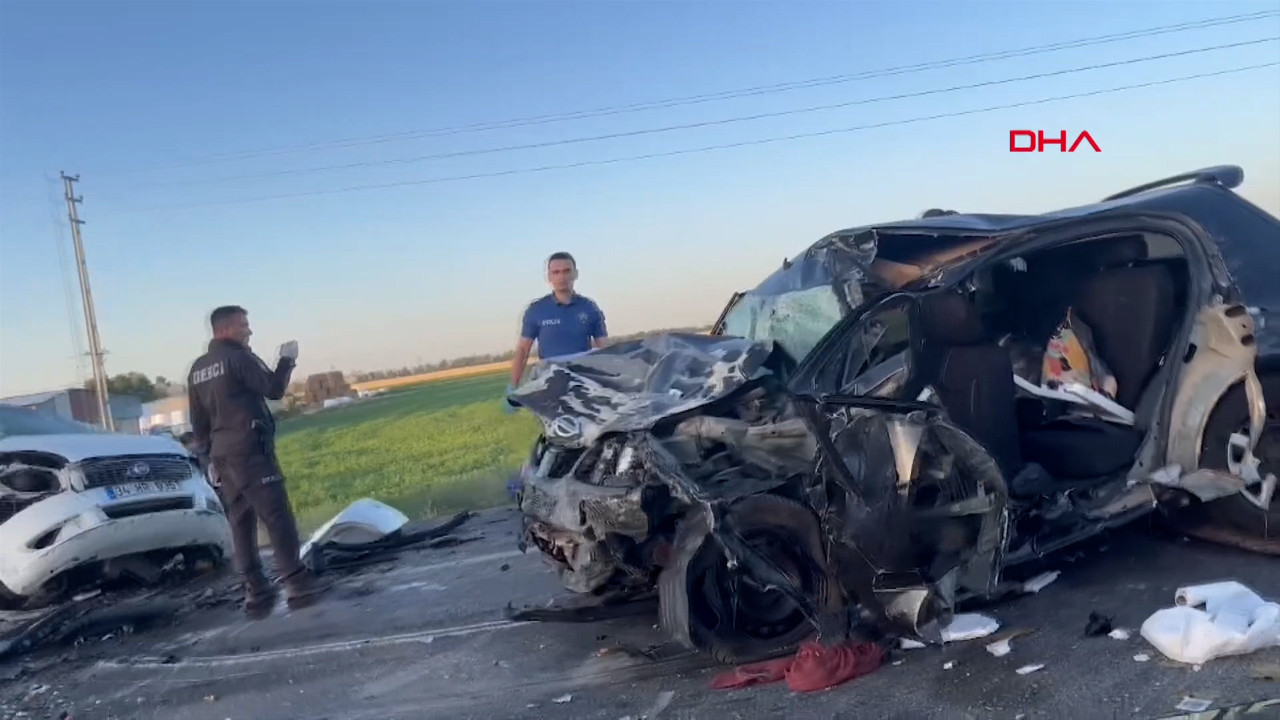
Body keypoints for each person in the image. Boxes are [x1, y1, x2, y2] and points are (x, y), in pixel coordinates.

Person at [187, 305, 328, 618]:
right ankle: (296, 582)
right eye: (243, 325)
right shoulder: (239, 358)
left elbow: (198, 420)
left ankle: (255, 588)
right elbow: (273, 390)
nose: (248, 331)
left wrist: (208, 457)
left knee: (240, 521)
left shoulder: (198, 369)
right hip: (250, 449)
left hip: (222, 455)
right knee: (277, 516)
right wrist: (287, 360)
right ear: (224, 330)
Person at [507, 252, 608, 395]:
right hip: (551, 385)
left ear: (575, 274)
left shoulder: (589, 307)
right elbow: (523, 349)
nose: (562, 277)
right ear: (549, 277)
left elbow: (604, 349)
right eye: (556, 272)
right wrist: (513, 385)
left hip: (584, 384)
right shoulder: (536, 310)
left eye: (567, 271)